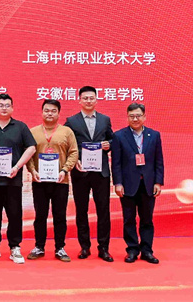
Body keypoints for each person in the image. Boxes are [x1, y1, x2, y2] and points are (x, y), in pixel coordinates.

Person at [0, 94, 36, 264]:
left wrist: (17, 167)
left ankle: (15, 246)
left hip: (13, 178)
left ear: (12, 108)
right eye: (0, 105)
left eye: (7, 105)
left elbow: (31, 147)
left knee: (14, 213)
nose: (4, 108)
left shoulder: (20, 127)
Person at [64, 86, 114, 262]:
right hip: (81, 172)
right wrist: (74, 160)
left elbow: (112, 139)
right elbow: (66, 144)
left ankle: (104, 248)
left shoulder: (105, 120)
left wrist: (109, 144)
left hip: (101, 172)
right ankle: (84, 247)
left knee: (103, 210)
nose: (88, 101)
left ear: (96, 100)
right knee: (81, 210)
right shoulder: (71, 121)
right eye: (85, 98)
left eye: (91, 98)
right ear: (79, 100)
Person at [112, 103, 164, 264]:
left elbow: (159, 161)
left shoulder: (154, 135)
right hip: (127, 184)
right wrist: (118, 183)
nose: (135, 119)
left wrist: (158, 182)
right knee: (129, 219)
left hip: (148, 184)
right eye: (132, 116)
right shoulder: (119, 136)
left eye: (138, 116)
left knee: (147, 219)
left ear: (144, 117)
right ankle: (132, 250)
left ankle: (147, 251)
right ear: (127, 117)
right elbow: (116, 163)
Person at [27, 99, 78, 262]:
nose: (50, 113)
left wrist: (65, 170)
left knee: (60, 215)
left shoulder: (67, 132)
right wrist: (32, 170)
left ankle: (60, 248)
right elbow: (28, 154)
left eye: (53, 111)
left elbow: (74, 152)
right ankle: (39, 246)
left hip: (60, 181)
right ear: (42, 112)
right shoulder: (33, 132)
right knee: (40, 215)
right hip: (39, 181)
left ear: (58, 113)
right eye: (47, 110)